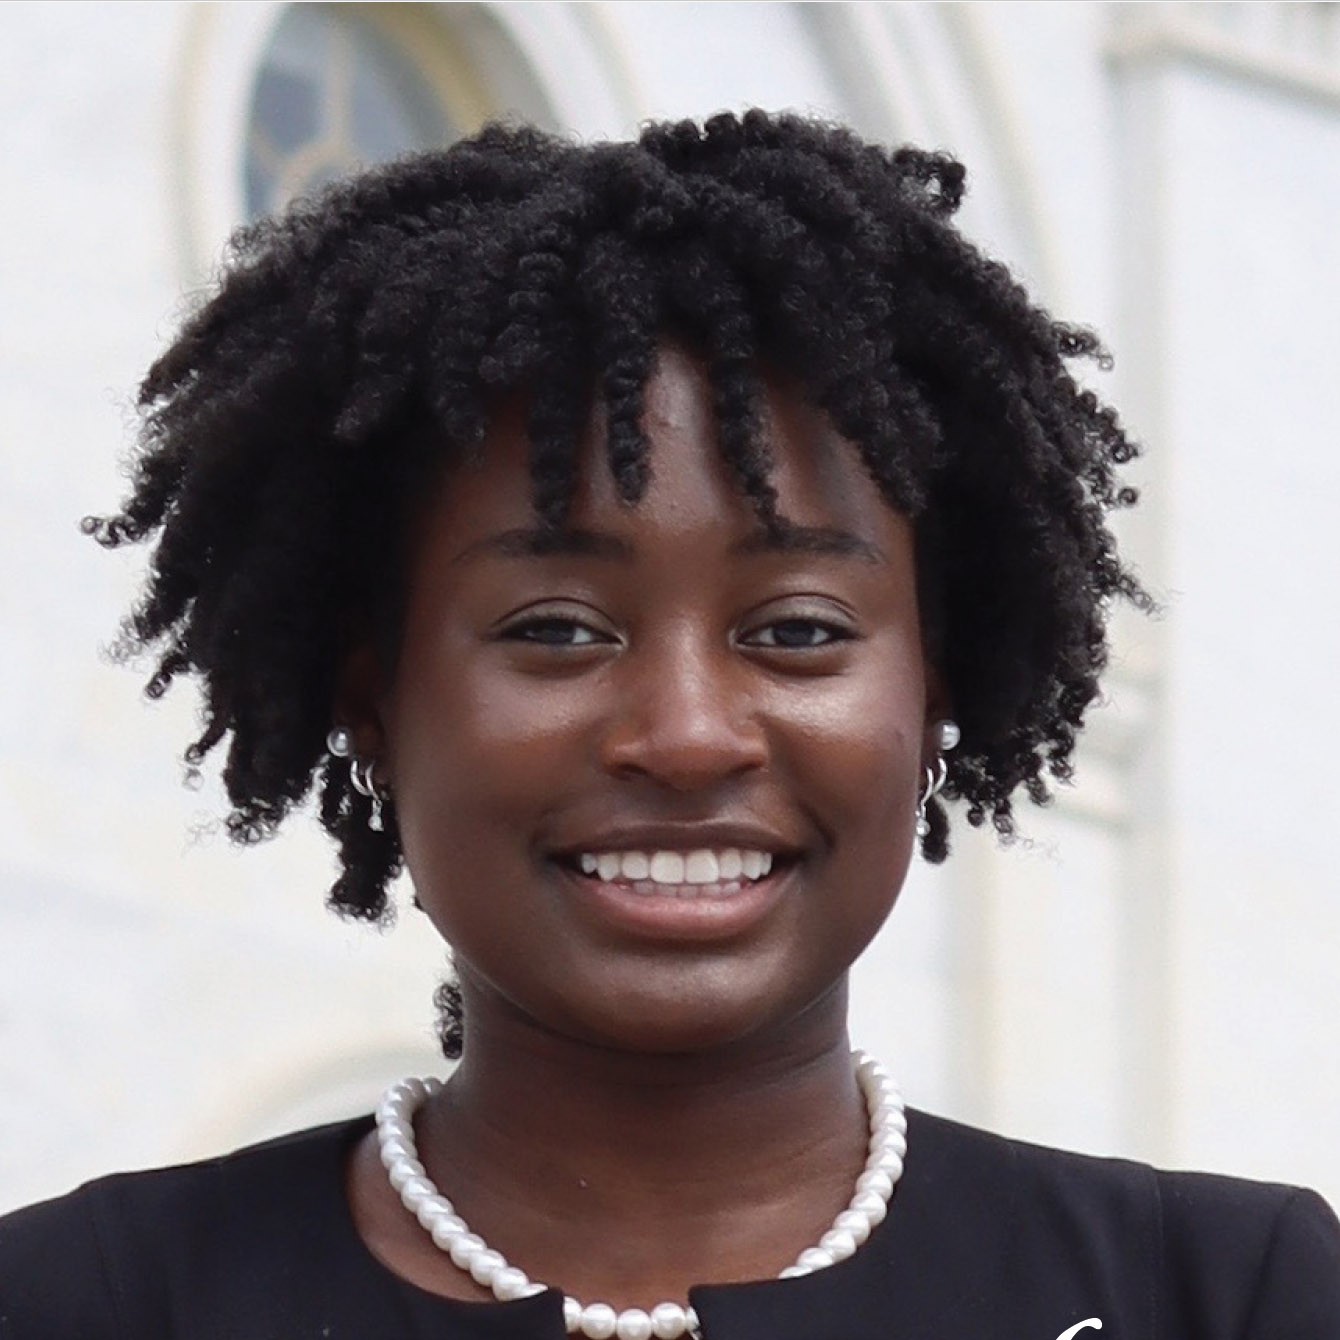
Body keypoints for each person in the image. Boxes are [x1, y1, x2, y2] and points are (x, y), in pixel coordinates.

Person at [1, 110, 1336, 1339]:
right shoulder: (87, 1305)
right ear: (371, 702)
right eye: (557, 631)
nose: (688, 736)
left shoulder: (1227, 1296)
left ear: (937, 689)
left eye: (799, 630)